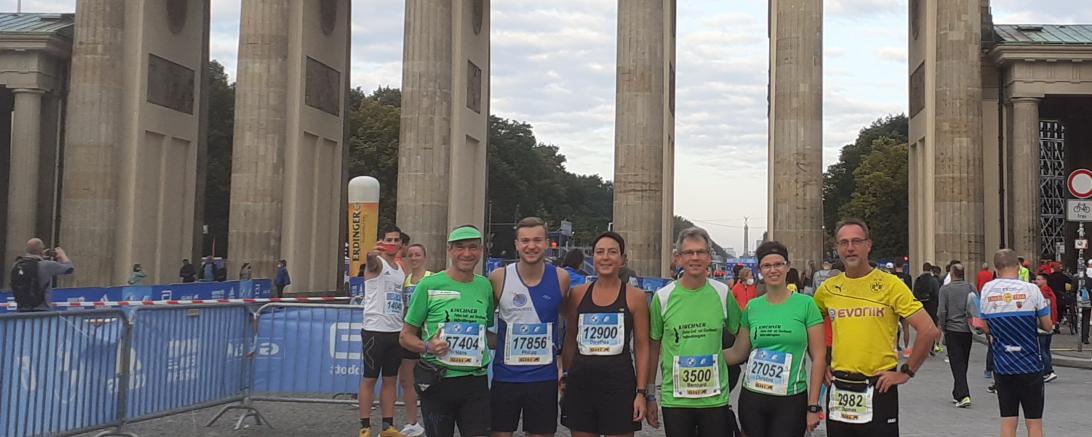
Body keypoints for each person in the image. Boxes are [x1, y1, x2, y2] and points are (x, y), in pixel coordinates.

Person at [815, 218, 939, 436]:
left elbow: (928, 330)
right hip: (839, 386)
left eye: (856, 241)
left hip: (879, 386)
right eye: (844, 243)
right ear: (837, 248)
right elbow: (811, 328)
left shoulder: (890, 284)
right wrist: (821, 362)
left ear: (868, 245)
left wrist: (906, 372)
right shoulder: (827, 289)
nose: (850, 248)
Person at [645, 228, 742, 437]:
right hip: (676, 399)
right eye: (688, 253)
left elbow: (742, 335)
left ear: (709, 257)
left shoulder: (723, 293)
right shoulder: (662, 298)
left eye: (700, 252)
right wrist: (650, 394)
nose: (695, 258)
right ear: (678, 258)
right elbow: (652, 349)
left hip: (714, 399)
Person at [400, 225, 494, 437]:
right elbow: (405, 336)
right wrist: (427, 346)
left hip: (475, 382)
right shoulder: (429, 285)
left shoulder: (485, 286)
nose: (467, 253)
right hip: (438, 382)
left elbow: (484, 331)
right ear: (450, 250)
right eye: (460, 247)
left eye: (473, 247)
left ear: (480, 250)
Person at [724, 241, 825, 437]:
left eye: (778, 264)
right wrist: (704, 355)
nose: (773, 270)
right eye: (767, 266)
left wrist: (813, 405)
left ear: (787, 267)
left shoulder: (806, 305)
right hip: (753, 398)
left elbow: (819, 357)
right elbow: (738, 353)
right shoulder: (752, 307)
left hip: (790, 399)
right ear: (760, 270)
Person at [561, 231, 650, 437]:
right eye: (600, 252)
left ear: (622, 259)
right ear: (593, 257)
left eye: (612, 252)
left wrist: (642, 392)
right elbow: (570, 340)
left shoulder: (635, 297)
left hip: (619, 386)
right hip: (581, 385)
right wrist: (565, 376)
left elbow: (642, 345)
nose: (606, 257)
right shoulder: (577, 294)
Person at [490, 217, 570, 437]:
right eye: (525, 240)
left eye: (537, 240)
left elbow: (567, 324)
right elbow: (483, 324)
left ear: (546, 243)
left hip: (543, 379)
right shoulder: (499, 277)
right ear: (516, 244)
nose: (531, 246)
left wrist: (564, 364)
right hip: (505, 378)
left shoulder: (561, 278)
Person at [979, 249, 1053, 437]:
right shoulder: (1032, 290)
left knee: (1008, 422)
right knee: (1034, 423)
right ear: (1018, 267)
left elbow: (985, 327)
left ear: (996, 268)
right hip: (1030, 365)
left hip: (1003, 365)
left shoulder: (987, 290)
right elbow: (1048, 326)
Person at [358, 226, 408, 437]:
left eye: (396, 240)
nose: (393, 243)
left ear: (400, 243)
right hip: (374, 330)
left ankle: (388, 425)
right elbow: (371, 262)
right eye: (389, 239)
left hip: (395, 330)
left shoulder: (400, 268)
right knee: (370, 379)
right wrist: (370, 254)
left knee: (390, 380)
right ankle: (365, 426)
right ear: (382, 241)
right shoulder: (377, 264)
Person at [397, 243, 431, 437]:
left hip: (427, 331)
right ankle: (412, 423)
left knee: (431, 379)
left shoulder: (432, 278)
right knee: (406, 380)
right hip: (410, 331)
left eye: (418, 254)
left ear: (424, 257)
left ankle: (434, 417)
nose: (414, 258)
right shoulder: (406, 280)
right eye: (411, 255)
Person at [937, 263, 975, 408]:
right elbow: (975, 306)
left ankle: (964, 395)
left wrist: (943, 327)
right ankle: (957, 391)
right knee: (963, 361)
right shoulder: (970, 287)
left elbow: (941, 311)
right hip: (968, 330)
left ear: (952, 274)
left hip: (953, 329)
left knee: (956, 363)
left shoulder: (945, 290)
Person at [8, 238, 74, 312]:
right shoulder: (46, 265)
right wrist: (62, 255)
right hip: (41, 310)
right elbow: (69, 268)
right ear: (41, 250)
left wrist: (41, 256)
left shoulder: (16, 264)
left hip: (21, 310)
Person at [1032, 273, 1058, 383]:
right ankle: (1048, 370)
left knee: (1042, 349)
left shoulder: (1042, 293)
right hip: (1051, 323)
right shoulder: (1050, 291)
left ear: (1044, 280)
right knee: (1046, 349)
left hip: (1043, 324)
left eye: (1038, 279)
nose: (1036, 281)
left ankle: (1048, 371)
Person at [912, 262, 941, 356]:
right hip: (932, 306)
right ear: (930, 269)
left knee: (921, 327)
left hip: (921, 306)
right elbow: (937, 293)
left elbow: (914, 293)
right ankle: (931, 346)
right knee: (932, 326)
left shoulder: (918, 280)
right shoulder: (933, 280)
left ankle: (922, 347)